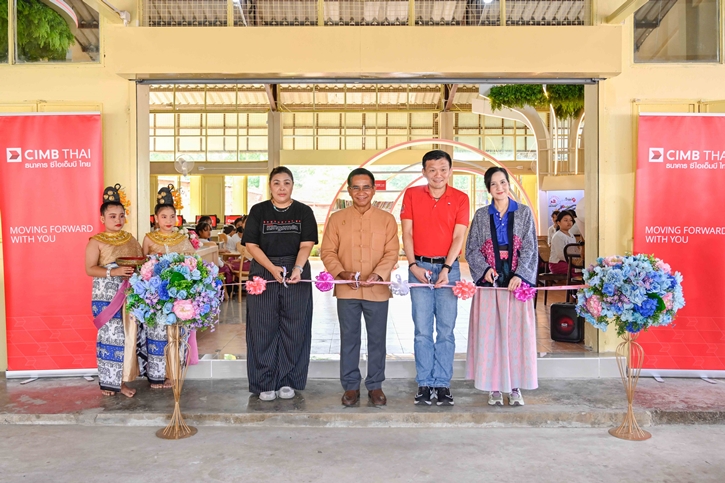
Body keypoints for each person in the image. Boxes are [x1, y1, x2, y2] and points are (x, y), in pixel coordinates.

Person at [321, 168, 399, 407]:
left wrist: (378, 274)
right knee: (349, 339)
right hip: (347, 290)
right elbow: (327, 252)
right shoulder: (337, 219)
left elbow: (392, 252)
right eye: (356, 187)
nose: (361, 192)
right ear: (349, 190)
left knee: (377, 340)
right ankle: (351, 386)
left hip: (378, 290)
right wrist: (341, 273)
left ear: (374, 190)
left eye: (366, 187)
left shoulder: (387, 220)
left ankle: (375, 386)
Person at [242, 166, 318, 401]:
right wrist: (270, 268)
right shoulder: (259, 210)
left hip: (296, 270)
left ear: (293, 185)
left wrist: (297, 267)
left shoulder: (303, 211)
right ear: (270, 186)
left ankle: (288, 380)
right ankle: (264, 382)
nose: (282, 187)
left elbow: (306, 244)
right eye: (276, 183)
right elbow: (251, 245)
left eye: (286, 182)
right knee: (262, 327)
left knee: (295, 327)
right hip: (264, 269)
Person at [400, 150, 470, 406]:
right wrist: (412, 265)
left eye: (443, 169)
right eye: (432, 169)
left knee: (446, 330)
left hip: (448, 270)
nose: (438, 174)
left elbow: (458, 237)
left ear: (450, 171)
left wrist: (447, 269)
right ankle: (424, 382)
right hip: (418, 267)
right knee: (421, 330)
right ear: (424, 172)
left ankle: (442, 383)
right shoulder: (412, 195)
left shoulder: (461, 198)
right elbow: (407, 233)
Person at [465, 167, 539, 407]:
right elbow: (472, 248)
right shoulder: (480, 216)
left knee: (517, 335)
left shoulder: (525, 213)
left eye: (503, 182)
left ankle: (515, 386)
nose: (500, 188)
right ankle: (494, 387)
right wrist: (485, 270)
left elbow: (529, 246)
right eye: (494, 184)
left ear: (509, 184)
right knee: (491, 335)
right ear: (489, 189)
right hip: (490, 281)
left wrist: (520, 274)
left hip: (517, 282)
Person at [85, 184, 143, 397]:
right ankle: (110, 382)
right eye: (112, 216)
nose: (117, 220)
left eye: (121, 215)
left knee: (128, 336)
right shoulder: (96, 241)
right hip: (106, 296)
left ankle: (124, 378)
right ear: (102, 219)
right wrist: (115, 271)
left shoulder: (130, 239)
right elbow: (89, 269)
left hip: (130, 294)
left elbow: (141, 263)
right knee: (110, 336)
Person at [141, 184, 196, 388]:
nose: (168, 221)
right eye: (164, 216)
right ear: (156, 218)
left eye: (172, 216)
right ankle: (156, 375)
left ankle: (174, 375)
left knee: (177, 335)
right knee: (157, 334)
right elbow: (142, 265)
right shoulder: (149, 238)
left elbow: (193, 264)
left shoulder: (183, 239)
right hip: (156, 295)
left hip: (179, 295)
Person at [549, 210, 578, 275]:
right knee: (577, 270)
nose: (569, 222)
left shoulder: (571, 235)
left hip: (569, 262)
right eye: (565, 220)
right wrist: (573, 262)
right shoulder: (558, 236)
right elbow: (561, 255)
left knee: (581, 269)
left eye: (571, 220)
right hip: (557, 264)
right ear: (558, 222)